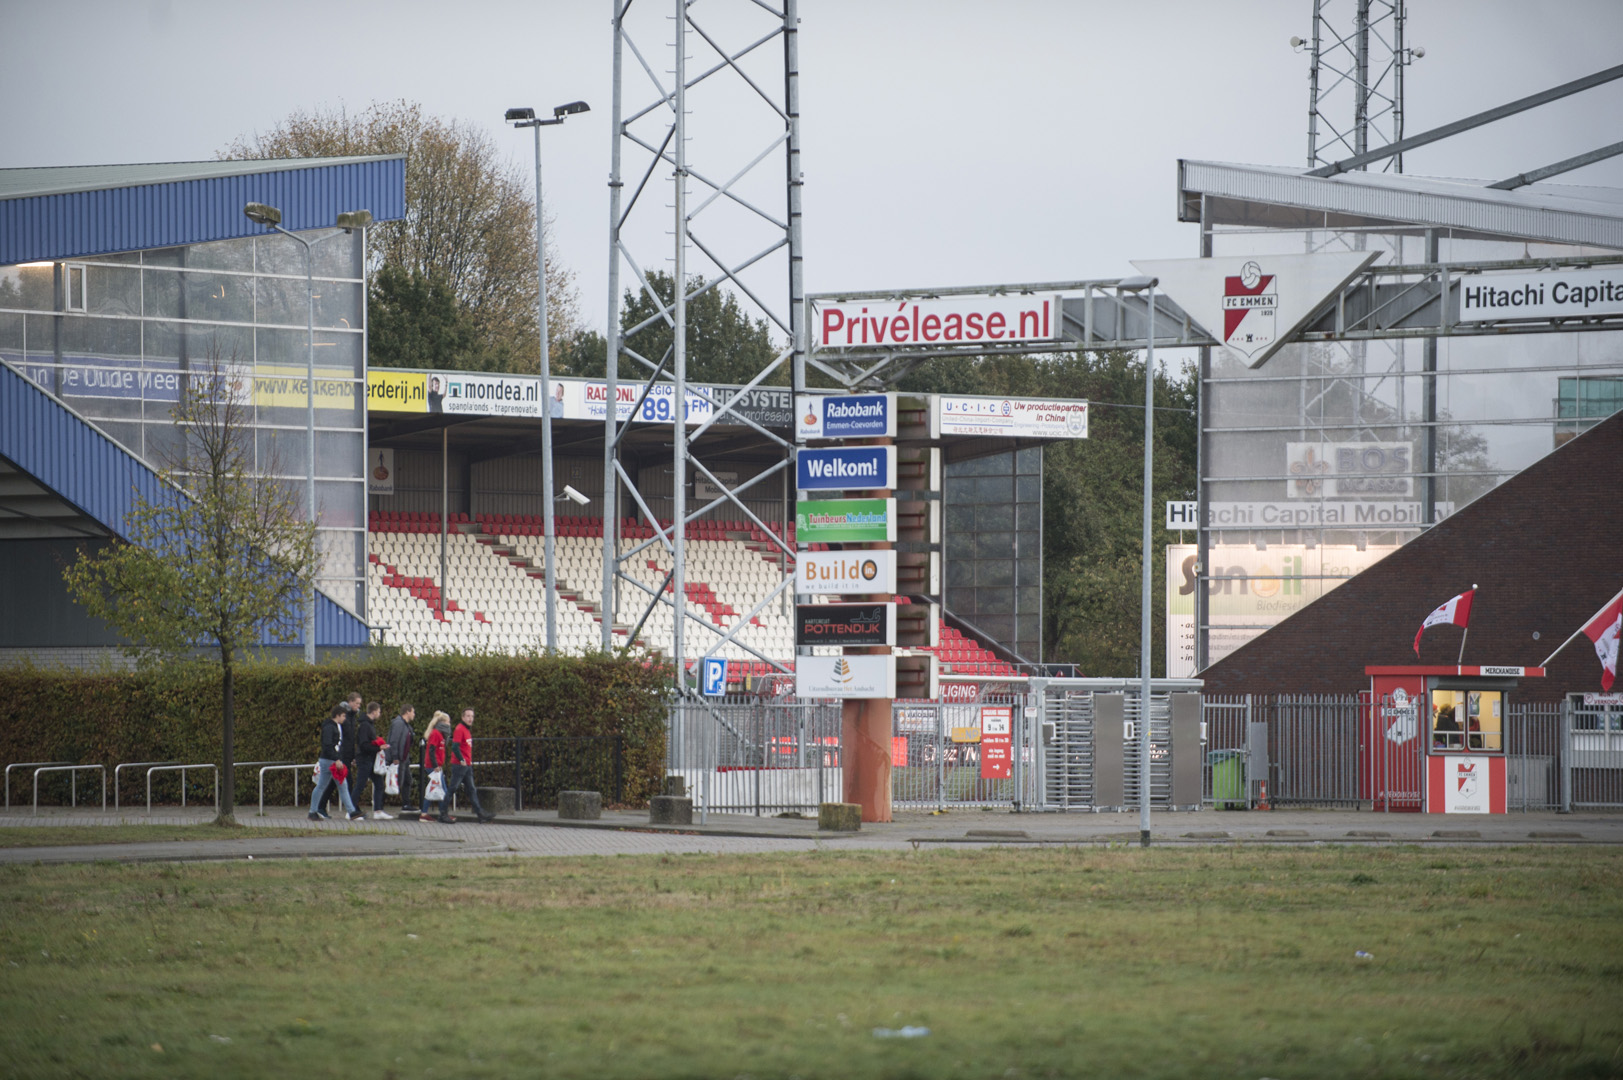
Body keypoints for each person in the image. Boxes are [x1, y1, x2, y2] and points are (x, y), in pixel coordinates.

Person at [310, 703, 363, 821]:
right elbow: (328, 745)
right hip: (329, 760)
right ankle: (351, 811)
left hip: (329, 759)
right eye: (343, 716)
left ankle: (313, 811)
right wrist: (337, 759)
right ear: (337, 715)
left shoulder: (333, 726)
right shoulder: (330, 728)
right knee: (338, 785)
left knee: (326, 786)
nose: (345, 718)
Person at [448, 708, 494, 824]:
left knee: (471, 789)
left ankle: (480, 813)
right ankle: (443, 811)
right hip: (460, 765)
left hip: (467, 765)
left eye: (472, 716)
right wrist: (461, 759)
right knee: (453, 788)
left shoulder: (467, 730)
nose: (470, 719)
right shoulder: (460, 729)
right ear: (463, 717)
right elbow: (455, 747)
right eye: (468, 716)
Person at [322, 693, 362, 816]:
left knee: (334, 783)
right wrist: (338, 756)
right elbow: (341, 738)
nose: (358, 706)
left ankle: (320, 806)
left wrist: (353, 755)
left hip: (347, 754)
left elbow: (351, 739)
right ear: (350, 702)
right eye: (357, 703)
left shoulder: (352, 717)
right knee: (346, 781)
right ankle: (353, 810)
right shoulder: (343, 718)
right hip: (341, 755)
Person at [352, 700, 392, 820]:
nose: (380, 714)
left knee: (379, 783)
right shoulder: (365, 725)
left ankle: (378, 810)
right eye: (379, 711)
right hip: (365, 759)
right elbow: (363, 744)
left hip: (370, 759)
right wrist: (378, 747)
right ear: (374, 712)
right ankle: (351, 810)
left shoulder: (369, 724)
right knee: (360, 784)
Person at [387, 703, 421, 817]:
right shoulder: (398, 724)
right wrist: (395, 757)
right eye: (413, 712)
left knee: (407, 780)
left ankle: (406, 804)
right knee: (398, 781)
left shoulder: (406, 725)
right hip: (399, 758)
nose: (414, 714)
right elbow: (394, 741)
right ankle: (379, 805)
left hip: (404, 758)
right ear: (407, 712)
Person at [421, 711, 454, 823]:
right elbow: (432, 750)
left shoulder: (439, 734)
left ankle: (429, 813)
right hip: (433, 766)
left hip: (435, 765)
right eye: (448, 722)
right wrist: (435, 765)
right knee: (442, 790)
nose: (449, 724)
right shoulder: (436, 734)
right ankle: (442, 814)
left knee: (436, 789)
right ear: (443, 722)